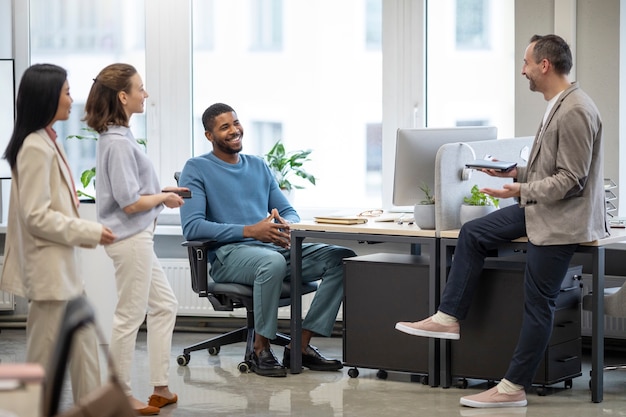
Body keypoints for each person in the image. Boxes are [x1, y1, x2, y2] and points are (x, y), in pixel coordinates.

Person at [395, 34, 609, 408]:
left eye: (526, 62)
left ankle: (513, 389)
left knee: (538, 302)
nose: (522, 69)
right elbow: (555, 167)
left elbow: (572, 179)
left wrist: (519, 190)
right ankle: (448, 317)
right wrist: (517, 170)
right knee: (475, 232)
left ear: (545, 65)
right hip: (541, 209)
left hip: (561, 221)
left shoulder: (576, 109)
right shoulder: (558, 103)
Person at [178, 102, 356, 377]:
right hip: (229, 255)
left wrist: (286, 226)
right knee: (270, 262)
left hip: (269, 249)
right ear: (209, 136)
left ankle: (301, 346)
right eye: (224, 127)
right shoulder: (196, 168)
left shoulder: (258, 166)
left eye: (235, 123)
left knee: (340, 258)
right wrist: (250, 231)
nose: (234, 130)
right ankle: (260, 348)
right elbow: (193, 227)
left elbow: (288, 211)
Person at [0, 64, 116, 404]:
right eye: (66, 92)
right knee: (39, 366)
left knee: (85, 356)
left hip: (63, 275)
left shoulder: (47, 141)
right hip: (50, 278)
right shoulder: (35, 147)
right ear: (48, 97)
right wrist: (90, 231)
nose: (71, 99)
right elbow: (36, 217)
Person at [84, 63, 186, 416]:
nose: (146, 94)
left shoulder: (120, 137)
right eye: (140, 88)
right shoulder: (116, 143)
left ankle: (159, 386)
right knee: (129, 316)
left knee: (165, 304)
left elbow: (130, 192)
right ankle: (118, 393)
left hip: (136, 237)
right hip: (131, 239)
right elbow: (129, 204)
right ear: (123, 96)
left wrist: (160, 191)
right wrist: (163, 198)